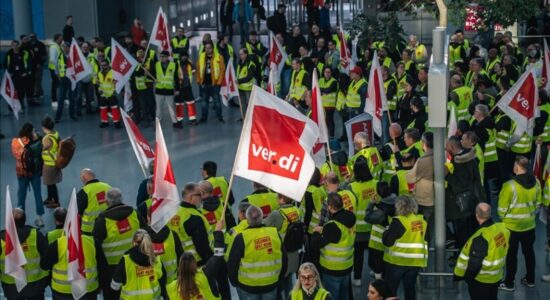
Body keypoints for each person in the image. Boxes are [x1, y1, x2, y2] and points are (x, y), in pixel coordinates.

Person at [93, 188, 147, 300]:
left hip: (111, 270)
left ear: (107, 202)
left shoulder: (102, 222)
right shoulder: (135, 214)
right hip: (135, 264)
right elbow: (145, 235)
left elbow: (96, 248)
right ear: (122, 199)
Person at [498, 156, 541, 291]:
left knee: (511, 255)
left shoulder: (509, 186)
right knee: (529, 252)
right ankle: (530, 279)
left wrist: (505, 219)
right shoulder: (537, 182)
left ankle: (509, 283)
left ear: (516, 167)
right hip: (529, 225)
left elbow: (501, 210)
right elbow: (538, 204)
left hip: (511, 227)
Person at [227, 205, 286, 299]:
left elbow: (232, 264)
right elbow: (284, 259)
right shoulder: (274, 233)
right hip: (271, 284)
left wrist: (234, 283)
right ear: (262, 217)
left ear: (247, 220)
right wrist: (278, 277)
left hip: (248, 287)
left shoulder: (241, 237)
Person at [454, 203, 510, 300]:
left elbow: (475, 264)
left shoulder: (480, 237)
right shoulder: (502, 229)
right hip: (496, 276)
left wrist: (467, 277)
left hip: (481, 279)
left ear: (477, 215)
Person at [310, 192, 355, 299]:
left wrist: (316, 232)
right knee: (345, 295)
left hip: (333, 269)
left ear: (330, 207)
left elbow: (315, 244)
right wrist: (324, 230)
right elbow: (338, 236)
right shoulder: (351, 217)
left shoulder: (332, 226)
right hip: (347, 266)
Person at [41, 217, 100, 300]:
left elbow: (44, 265)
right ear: (81, 226)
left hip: (62, 291)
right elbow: (102, 266)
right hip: (88, 290)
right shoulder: (93, 242)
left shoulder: (57, 244)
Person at [166, 219, 226, 300]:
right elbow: (218, 256)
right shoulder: (204, 275)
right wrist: (218, 232)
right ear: (194, 264)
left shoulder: (170, 288)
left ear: (180, 267)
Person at [382, 195, 428, 300]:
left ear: (398, 207)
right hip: (415, 263)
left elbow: (388, 242)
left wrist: (386, 231)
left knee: (391, 290)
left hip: (397, 263)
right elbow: (427, 238)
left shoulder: (398, 221)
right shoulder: (422, 220)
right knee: (410, 289)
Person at [445, 136, 484, 257]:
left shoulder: (459, 163)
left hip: (460, 206)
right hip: (472, 201)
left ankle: (462, 257)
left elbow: (460, 184)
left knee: (462, 235)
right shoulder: (470, 158)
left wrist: (447, 175)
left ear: (451, 146)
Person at [0, 208, 49, 300]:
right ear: (24, 220)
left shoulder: (1, 238)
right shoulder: (36, 235)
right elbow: (47, 259)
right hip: (35, 285)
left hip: (11, 287)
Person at [263, 193, 302, 298]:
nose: (276, 199)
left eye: (278, 197)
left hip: (282, 252)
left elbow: (263, 225)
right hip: (294, 250)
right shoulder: (296, 210)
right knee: (289, 279)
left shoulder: (277, 214)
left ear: (283, 200)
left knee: (281, 282)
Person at [111, 229, 168, 299]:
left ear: (134, 243)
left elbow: (115, 286)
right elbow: (163, 281)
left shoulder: (125, 261)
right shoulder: (156, 259)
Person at [348, 156, 378, 285]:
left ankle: (357, 278)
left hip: (358, 228)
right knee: (375, 251)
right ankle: (377, 273)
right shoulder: (376, 183)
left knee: (358, 254)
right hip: (373, 226)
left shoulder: (352, 187)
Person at [167, 183, 213, 266]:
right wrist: (211, 262)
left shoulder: (173, 213)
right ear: (191, 197)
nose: (202, 198)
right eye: (199, 195)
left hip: (179, 263)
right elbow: (202, 247)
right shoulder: (194, 217)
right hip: (197, 264)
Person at [11, 123, 44, 227]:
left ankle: (20, 220)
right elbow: (41, 153)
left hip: (22, 173)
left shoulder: (15, 142)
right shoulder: (36, 142)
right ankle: (40, 219)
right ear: (31, 132)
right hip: (35, 172)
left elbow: (16, 156)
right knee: (38, 194)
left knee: (21, 195)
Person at [406, 131, 434, 243]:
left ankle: (424, 249)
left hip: (424, 200)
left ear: (424, 144)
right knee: (432, 227)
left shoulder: (423, 160)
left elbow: (410, 178)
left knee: (423, 230)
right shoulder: (442, 155)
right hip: (437, 197)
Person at [366, 182, 397, 280]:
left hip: (378, 241)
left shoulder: (381, 211)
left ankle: (379, 279)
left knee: (377, 261)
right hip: (390, 239)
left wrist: (371, 203)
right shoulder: (395, 200)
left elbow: (367, 217)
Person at [196, 42, 226, 123]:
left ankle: (220, 117)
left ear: (212, 48)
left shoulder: (219, 57)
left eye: (209, 48)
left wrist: (219, 82)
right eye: (206, 48)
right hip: (204, 83)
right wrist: (199, 81)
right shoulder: (201, 56)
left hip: (215, 83)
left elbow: (222, 70)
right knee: (204, 102)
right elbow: (198, 69)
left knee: (217, 101)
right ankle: (203, 118)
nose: (207, 49)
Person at [77, 168, 112, 234]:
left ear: (84, 178)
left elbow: (78, 212)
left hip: (90, 230)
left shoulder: (83, 192)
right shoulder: (108, 187)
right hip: (108, 226)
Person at [150, 50, 180, 127]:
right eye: (160, 56)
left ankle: (175, 122)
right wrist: (147, 74)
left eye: (163, 56)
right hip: (159, 90)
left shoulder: (173, 65)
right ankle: (157, 123)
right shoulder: (156, 64)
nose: (161, 58)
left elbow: (176, 78)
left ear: (167, 57)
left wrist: (177, 89)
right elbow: (152, 74)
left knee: (171, 107)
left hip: (169, 90)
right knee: (159, 108)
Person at [41, 115, 62, 208]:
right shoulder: (55, 133)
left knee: (52, 184)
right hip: (55, 161)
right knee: (50, 183)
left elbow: (42, 149)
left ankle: (56, 201)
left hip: (49, 164)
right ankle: (50, 198)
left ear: (44, 127)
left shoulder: (46, 139)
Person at [4, 40, 32, 107]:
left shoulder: (24, 53)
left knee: (21, 91)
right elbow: (5, 64)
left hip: (22, 74)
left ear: (18, 45)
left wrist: (26, 72)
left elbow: (29, 63)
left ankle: (21, 104)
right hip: (12, 75)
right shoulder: (9, 53)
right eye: (13, 45)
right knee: (12, 90)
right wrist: (9, 72)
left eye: (16, 45)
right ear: (11, 46)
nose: (15, 47)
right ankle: (11, 106)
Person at [55, 42, 78, 122]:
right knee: (61, 98)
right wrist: (59, 76)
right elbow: (56, 67)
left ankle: (72, 115)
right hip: (63, 79)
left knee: (72, 98)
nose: (64, 48)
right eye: (63, 46)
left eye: (66, 46)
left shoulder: (73, 56)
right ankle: (57, 117)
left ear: (69, 47)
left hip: (72, 79)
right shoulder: (60, 55)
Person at [237, 48, 257, 119]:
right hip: (240, 87)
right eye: (239, 54)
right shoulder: (239, 63)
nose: (240, 56)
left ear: (246, 54)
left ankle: (251, 118)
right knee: (242, 105)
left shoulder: (251, 64)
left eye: (241, 54)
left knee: (249, 104)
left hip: (248, 88)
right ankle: (244, 117)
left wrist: (238, 81)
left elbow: (249, 77)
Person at [319, 66, 338, 137]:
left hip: (330, 105)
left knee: (329, 120)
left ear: (331, 73)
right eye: (325, 72)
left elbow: (328, 90)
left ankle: (331, 136)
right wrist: (324, 90)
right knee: (323, 121)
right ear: (323, 72)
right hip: (322, 105)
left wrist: (323, 90)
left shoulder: (334, 81)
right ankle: (325, 135)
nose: (327, 73)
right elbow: (318, 89)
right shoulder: (320, 80)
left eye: (328, 72)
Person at [48, 34, 63, 105]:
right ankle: (54, 100)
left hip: (59, 68)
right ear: (57, 39)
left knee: (61, 83)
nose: (62, 40)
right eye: (61, 38)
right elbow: (52, 59)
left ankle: (63, 98)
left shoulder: (58, 46)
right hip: (54, 68)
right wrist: (57, 69)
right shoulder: (53, 47)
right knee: (55, 84)